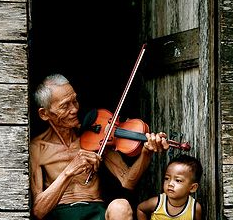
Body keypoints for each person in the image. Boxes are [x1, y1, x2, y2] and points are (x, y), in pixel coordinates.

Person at [30, 73, 169, 220]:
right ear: (44, 114)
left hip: (96, 209)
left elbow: (128, 181)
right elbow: (39, 211)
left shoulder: (93, 135)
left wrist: (146, 153)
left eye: (75, 101)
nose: (75, 109)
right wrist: (69, 171)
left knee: (120, 206)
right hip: (61, 213)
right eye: (65, 106)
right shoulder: (38, 148)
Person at [136, 154, 203, 220]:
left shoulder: (194, 208)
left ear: (192, 188)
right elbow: (141, 209)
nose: (170, 184)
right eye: (167, 178)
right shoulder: (157, 203)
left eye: (178, 180)